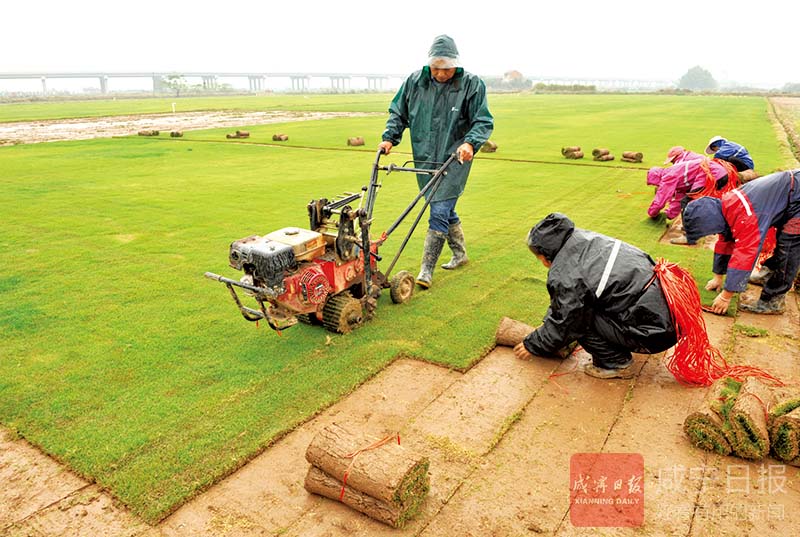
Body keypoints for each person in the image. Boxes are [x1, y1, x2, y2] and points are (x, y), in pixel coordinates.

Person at [378, 35, 494, 289]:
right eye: (436, 68)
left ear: (456, 65)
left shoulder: (471, 84)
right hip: (425, 156)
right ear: (429, 64)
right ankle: (460, 254)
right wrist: (389, 139)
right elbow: (399, 112)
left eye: (446, 69)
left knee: (439, 210)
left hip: (455, 158)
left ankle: (426, 270)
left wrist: (470, 143)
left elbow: (482, 120)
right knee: (441, 205)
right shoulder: (414, 82)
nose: (441, 74)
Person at [512, 213, 677, 379]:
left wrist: (533, 344)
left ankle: (616, 363)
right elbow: (568, 301)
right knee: (582, 308)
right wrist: (547, 325)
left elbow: (569, 321)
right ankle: (620, 343)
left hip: (655, 332)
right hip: (665, 315)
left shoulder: (567, 273)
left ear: (545, 254)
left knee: (580, 320)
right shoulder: (583, 240)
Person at [683, 169, 800, 314]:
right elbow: (725, 241)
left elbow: (745, 253)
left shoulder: (746, 216)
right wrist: (718, 277)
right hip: (790, 192)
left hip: (796, 198)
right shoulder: (727, 205)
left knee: (788, 248)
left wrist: (726, 297)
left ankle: (773, 301)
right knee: (784, 242)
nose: (713, 233)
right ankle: (767, 275)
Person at [646, 158, 729, 221]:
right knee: (703, 201)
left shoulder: (668, 177)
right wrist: (669, 214)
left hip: (712, 175)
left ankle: (689, 234)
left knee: (687, 203)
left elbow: (660, 199)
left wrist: (652, 213)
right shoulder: (674, 174)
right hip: (720, 173)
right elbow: (679, 198)